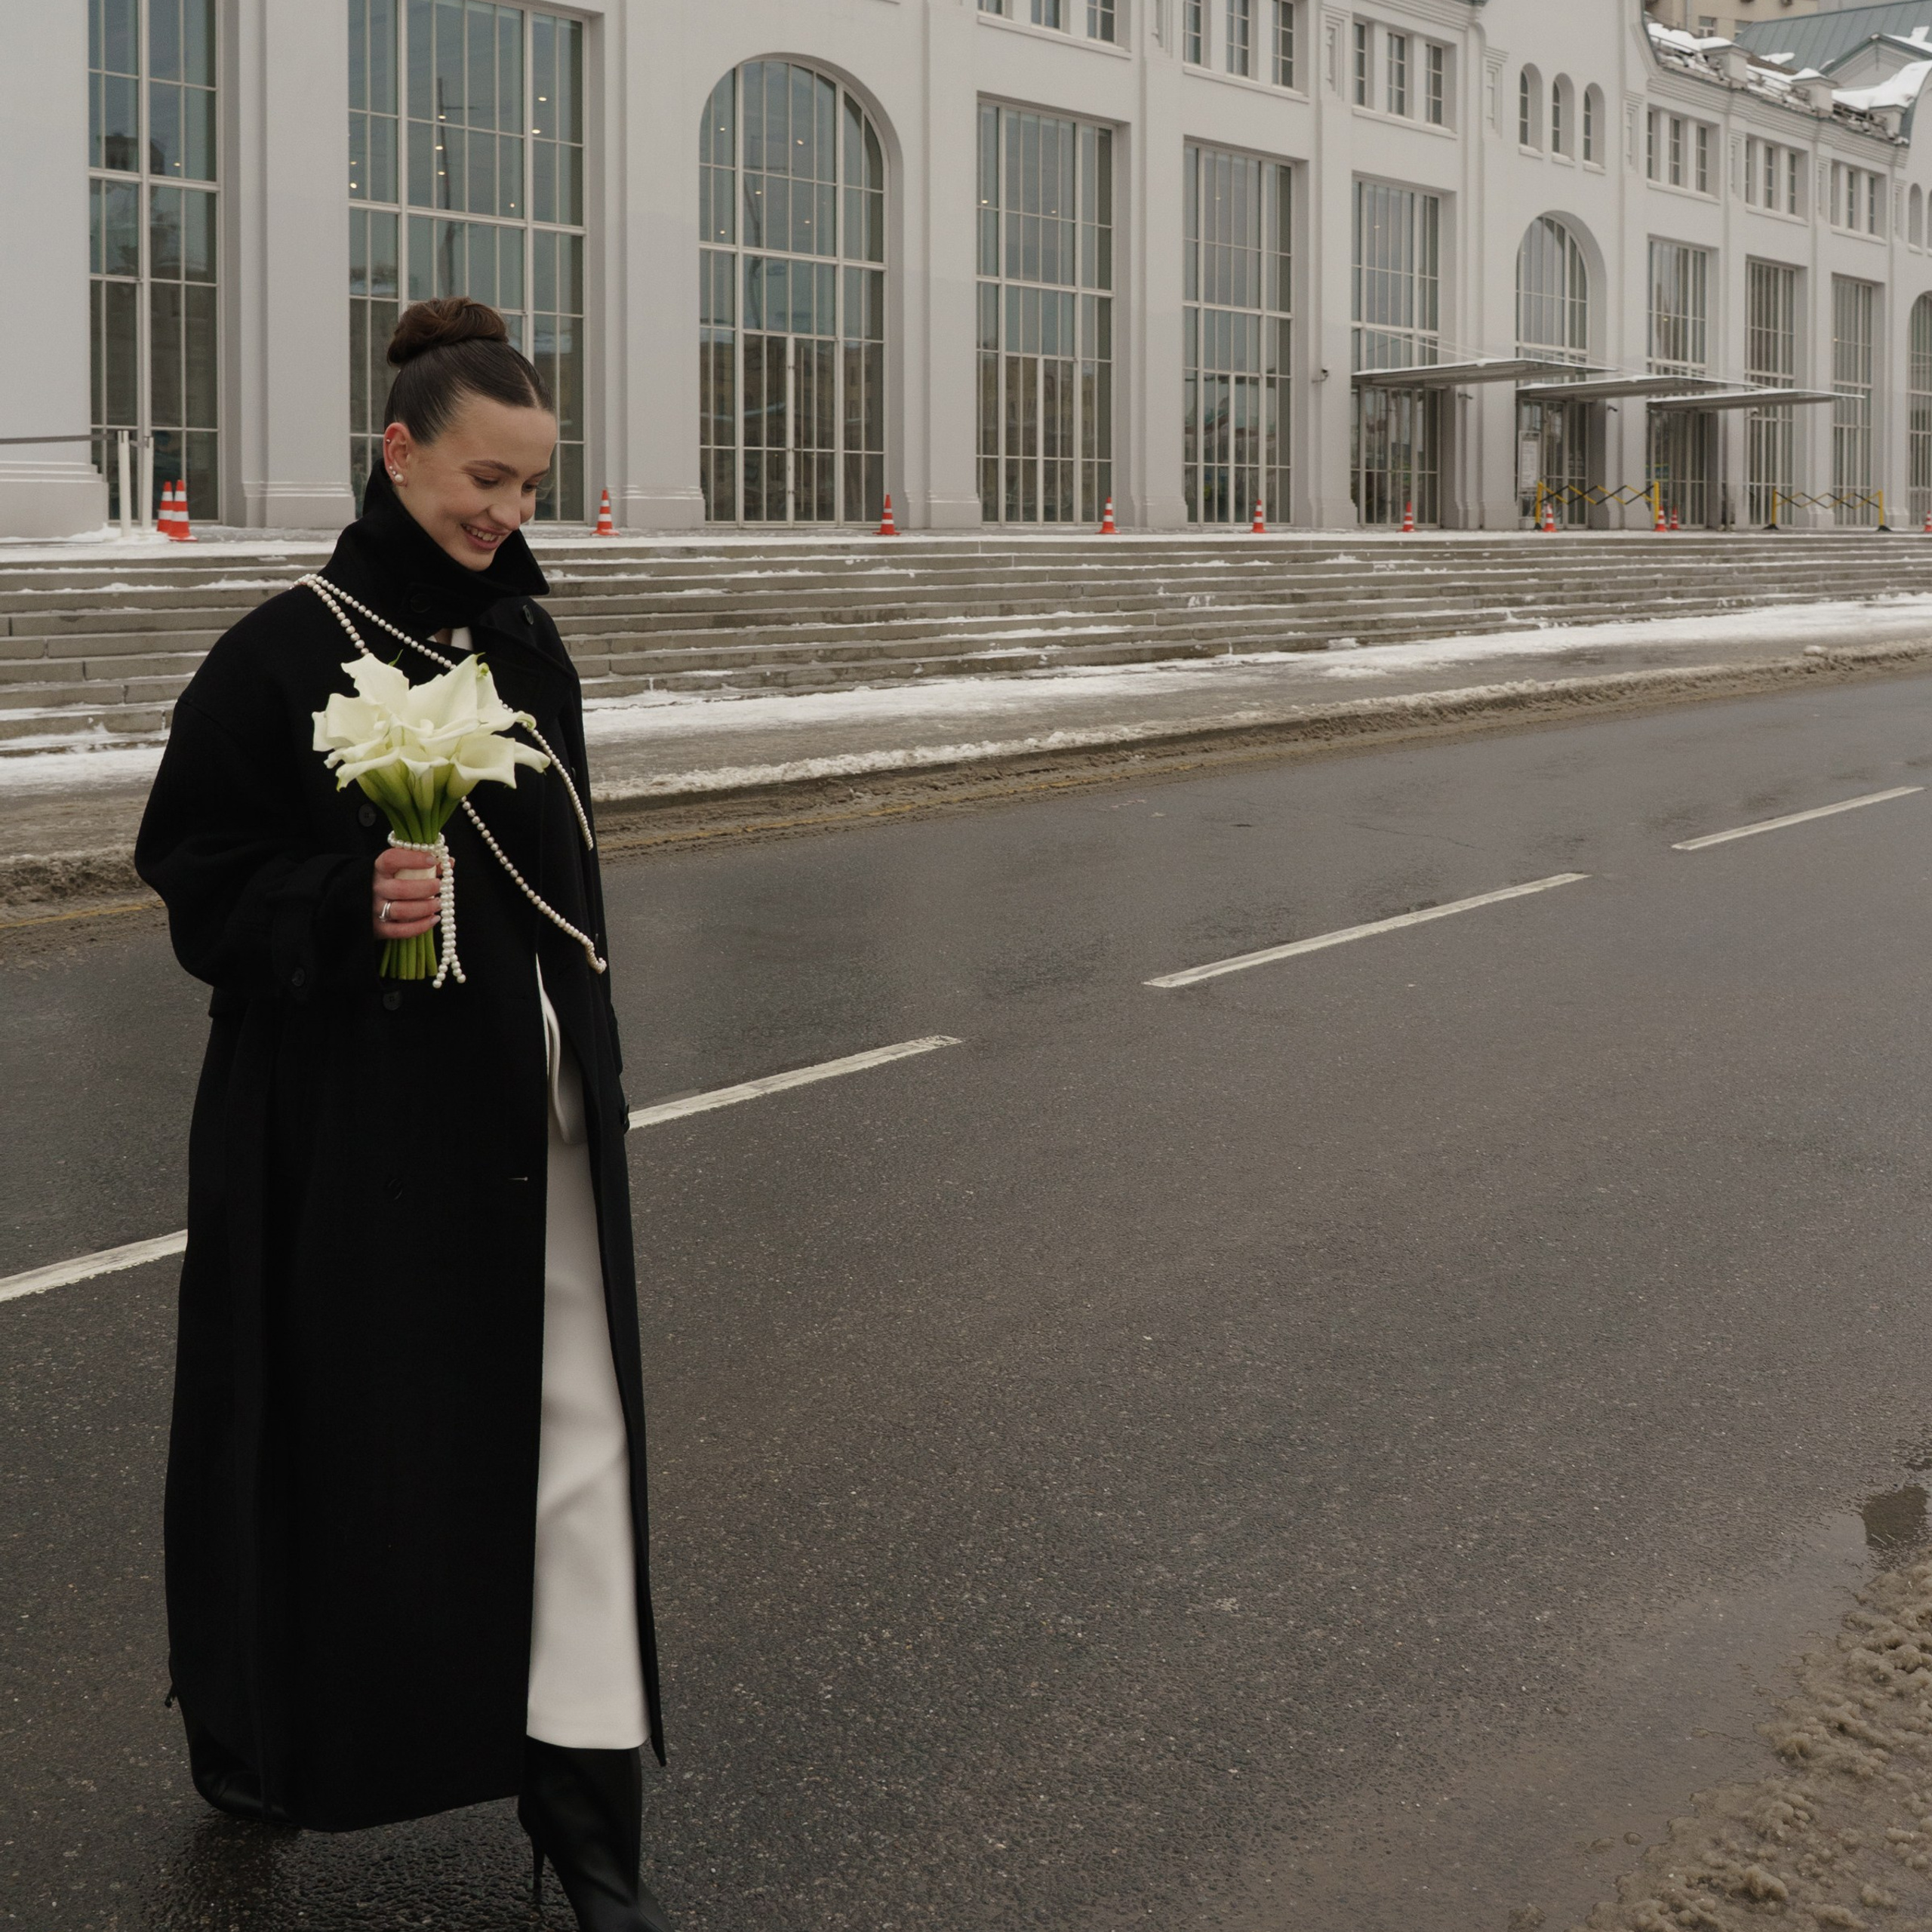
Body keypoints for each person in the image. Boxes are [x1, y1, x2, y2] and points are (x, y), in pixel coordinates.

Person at [134, 297, 670, 1932]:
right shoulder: (283, 650)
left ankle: (589, 1821)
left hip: (540, 1121)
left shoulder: (524, 641)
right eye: (484, 479)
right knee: (351, 1455)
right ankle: (272, 1730)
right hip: (355, 1145)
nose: (507, 512)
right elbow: (195, 879)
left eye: (531, 486)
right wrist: (338, 902)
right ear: (399, 451)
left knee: (575, 1444)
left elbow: (568, 887)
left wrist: (584, 1062)